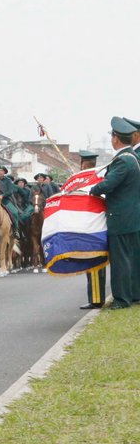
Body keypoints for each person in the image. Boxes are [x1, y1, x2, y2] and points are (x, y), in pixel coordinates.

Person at [89, 118, 140, 309]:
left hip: (121, 218)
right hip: (131, 218)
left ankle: (121, 299)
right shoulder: (132, 158)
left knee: (120, 260)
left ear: (115, 138)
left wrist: (92, 189)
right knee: (131, 258)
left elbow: (109, 184)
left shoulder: (123, 160)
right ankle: (133, 294)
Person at [76, 149, 105, 309]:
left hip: (92, 226)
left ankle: (96, 300)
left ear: (83, 164)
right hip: (95, 224)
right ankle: (95, 298)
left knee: (93, 264)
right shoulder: (97, 178)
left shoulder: (89, 181)